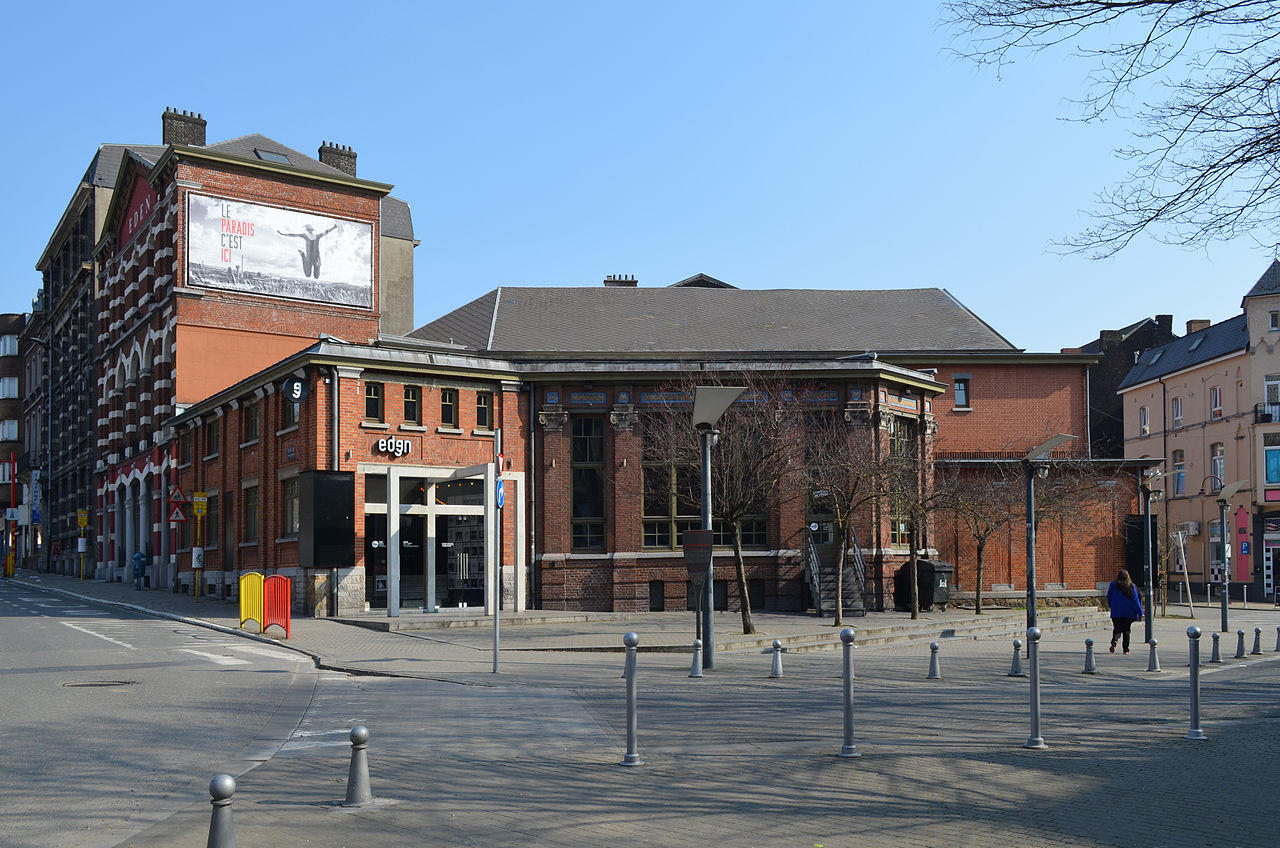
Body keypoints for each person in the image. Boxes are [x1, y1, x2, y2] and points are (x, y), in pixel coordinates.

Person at [1106, 568, 1143, 654]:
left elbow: (1109, 596)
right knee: (1126, 631)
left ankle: (1114, 640)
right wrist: (1140, 611)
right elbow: (1135, 600)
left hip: (1116, 611)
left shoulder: (1113, 585)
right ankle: (1125, 649)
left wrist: (1111, 605)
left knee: (1117, 628)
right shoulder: (1131, 586)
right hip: (1128, 612)